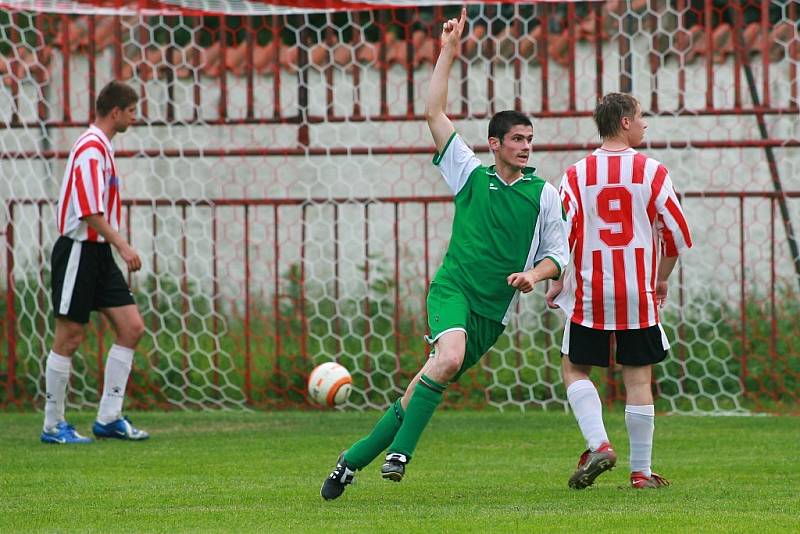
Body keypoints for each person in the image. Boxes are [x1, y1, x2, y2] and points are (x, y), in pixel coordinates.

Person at [320, 9, 568, 500]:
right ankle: (400, 457)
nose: (525, 146)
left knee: (422, 386)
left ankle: (349, 463)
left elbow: (557, 256)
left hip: (490, 314)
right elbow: (434, 113)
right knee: (448, 358)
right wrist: (448, 51)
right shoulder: (471, 175)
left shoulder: (545, 194)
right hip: (453, 290)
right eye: (516, 139)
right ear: (494, 144)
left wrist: (533, 276)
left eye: (529, 139)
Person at [546, 92, 692, 489]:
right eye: (641, 116)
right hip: (637, 292)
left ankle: (598, 444)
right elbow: (676, 235)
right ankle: (641, 473)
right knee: (639, 380)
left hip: (590, 292)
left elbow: (563, 232)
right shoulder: (652, 171)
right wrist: (660, 278)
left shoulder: (577, 174)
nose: (645, 123)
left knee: (574, 367)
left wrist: (559, 279)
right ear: (625, 122)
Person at [41, 80, 149, 444]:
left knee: (131, 327)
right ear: (116, 112)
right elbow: (88, 211)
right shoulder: (90, 148)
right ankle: (53, 425)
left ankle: (109, 418)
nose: (135, 117)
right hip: (78, 251)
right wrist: (124, 245)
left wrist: (111, 245)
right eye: (132, 110)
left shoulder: (102, 147)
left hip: (98, 252)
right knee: (70, 336)